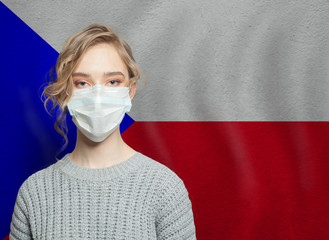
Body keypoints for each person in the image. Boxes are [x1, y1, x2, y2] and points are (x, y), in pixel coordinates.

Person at [9, 24, 196, 239]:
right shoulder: (34, 193)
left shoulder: (165, 188)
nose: (98, 96)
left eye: (113, 81)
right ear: (65, 93)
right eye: (82, 83)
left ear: (130, 90)